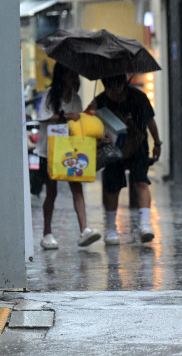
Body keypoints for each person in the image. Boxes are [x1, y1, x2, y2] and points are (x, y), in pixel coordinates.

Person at [87, 74, 162, 246]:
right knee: (112, 187)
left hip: (138, 145)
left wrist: (157, 143)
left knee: (141, 181)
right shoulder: (100, 101)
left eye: (117, 87)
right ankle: (111, 227)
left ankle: (145, 224)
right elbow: (89, 124)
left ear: (124, 84)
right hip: (112, 151)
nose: (114, 92)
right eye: (110, 88)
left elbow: (150, 122)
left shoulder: (138, 97)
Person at [35, 63, 101, 250]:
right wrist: (65, 116)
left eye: (75, 75)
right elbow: (44, 117)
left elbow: (78, 123)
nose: (74, 79)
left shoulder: (76, 99)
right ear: (62, 76)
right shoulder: (50, 94)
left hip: (70, 150)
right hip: (48, 151)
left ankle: (84, 229)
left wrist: (86, 114)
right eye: (71, 75)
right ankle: (47, 233)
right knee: (52, 191)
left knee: (76, 187)